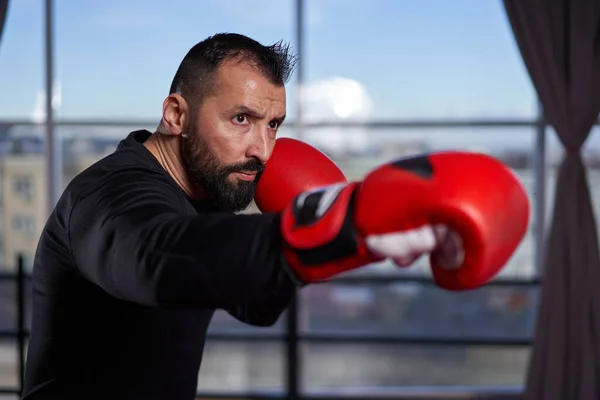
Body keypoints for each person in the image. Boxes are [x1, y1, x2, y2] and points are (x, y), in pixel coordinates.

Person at [22, 32, 530, 400]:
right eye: (241, 119)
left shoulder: (200, 196)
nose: (263, 150)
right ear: (176, 115)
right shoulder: (108, 193)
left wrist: (336, 241)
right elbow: (157, 259)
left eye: (274, 125)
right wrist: (334, 219)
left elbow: (254, 306)